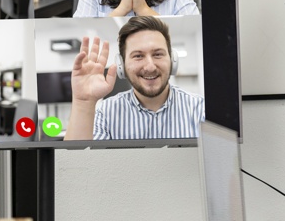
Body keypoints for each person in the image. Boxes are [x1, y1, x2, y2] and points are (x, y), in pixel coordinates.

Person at [64, 15, 204, 141]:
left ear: (172, 60)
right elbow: (78, 164)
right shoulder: (106, 111)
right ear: (122, 65)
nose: (150, 67)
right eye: (138, 56)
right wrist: (83, 102)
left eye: (158, 54)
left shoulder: (200, 108)